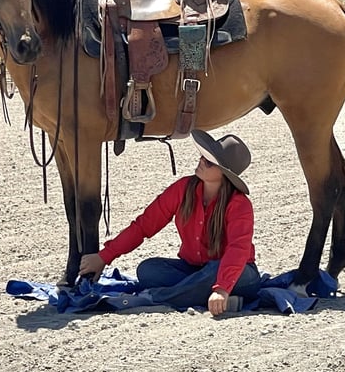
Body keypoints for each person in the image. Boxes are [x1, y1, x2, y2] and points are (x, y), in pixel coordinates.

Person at [79, 129, 261, 316]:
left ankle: (154, 298)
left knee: (214, 270)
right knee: (148, 270)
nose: (200, 161)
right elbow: (144, 225)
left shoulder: (240, 205)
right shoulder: (182, 189)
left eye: (208, 161)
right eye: (202, 156)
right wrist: (103, 257)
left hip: (239, 274)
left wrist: (222, 288)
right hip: (194, 269)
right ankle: (203, 294)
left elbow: (238, 249)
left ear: (223, 173)